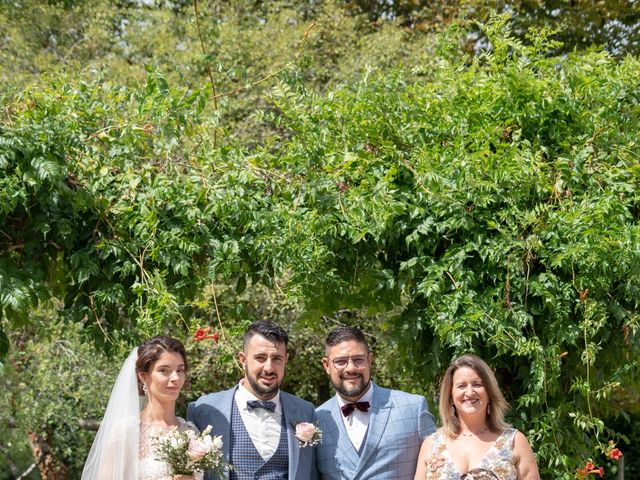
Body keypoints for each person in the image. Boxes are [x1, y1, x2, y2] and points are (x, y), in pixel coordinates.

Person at [188, 320, 318, 480]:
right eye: (260, 358)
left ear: (286, 360)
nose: (269, 368)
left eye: (277, 359)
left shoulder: (305, 411)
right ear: (243, 360)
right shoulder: (204, 410)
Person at [315, 326, 436, 479]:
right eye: (341, 361)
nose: (351, 368)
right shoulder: (316, 419)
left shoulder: (413, 408)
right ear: (326, 365)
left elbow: (436, 466)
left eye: (359, 360)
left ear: (370, 360)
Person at [82, 335, 200, 480]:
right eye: (164, 370)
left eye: (180, 370)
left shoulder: (191, 432)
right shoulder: (128, 431)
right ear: (143, 376)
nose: (175, 378)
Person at [413, 354, 540, 480]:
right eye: (461, 386)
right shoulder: (431, 445)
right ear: (450, 397)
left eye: (477, 384)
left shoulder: (514, 442)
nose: (469, 392)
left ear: (490, 393)